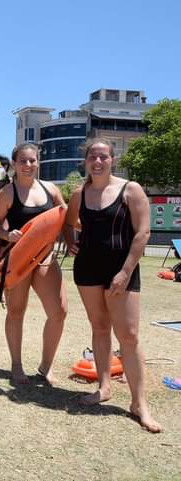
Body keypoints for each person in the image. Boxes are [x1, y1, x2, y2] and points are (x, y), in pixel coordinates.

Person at [64, 138, 161, 433]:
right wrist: (69, 240)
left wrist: (126, 271)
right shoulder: (80, 193)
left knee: (128, 336)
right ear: (85, 161)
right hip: (87, 269)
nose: (97, 161)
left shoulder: (130, 189)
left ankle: (139, 404)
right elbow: (67, 222)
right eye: (92, 156)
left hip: (121, 270)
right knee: (99, 327)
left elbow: (143, 233)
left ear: (112, 160)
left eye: (103, 156)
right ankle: (104, 387)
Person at [0, 143, 67, 384]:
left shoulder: (50, 189)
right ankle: (16, 365)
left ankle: (46, 366)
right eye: (23, 161)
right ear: (14, 164)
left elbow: (64, 215)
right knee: (16, 312)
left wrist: (70, 239)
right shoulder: (6, 194)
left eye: (32, 160)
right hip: (18, 259)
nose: (28, 165)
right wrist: (7, 234)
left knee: (58, 312)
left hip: (45, 258)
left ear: (38, 162)